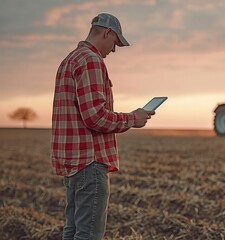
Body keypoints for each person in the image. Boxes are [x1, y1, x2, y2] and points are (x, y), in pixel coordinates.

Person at [51, 13, 154, 240]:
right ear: (107, 33)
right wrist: (132, 119)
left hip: (72, 162)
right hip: (90, 161)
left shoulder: (69, 60)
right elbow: (95, 117)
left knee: (73, 230)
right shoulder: (91, 60)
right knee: (88, 235)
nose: (114, 50)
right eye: (115, 43)